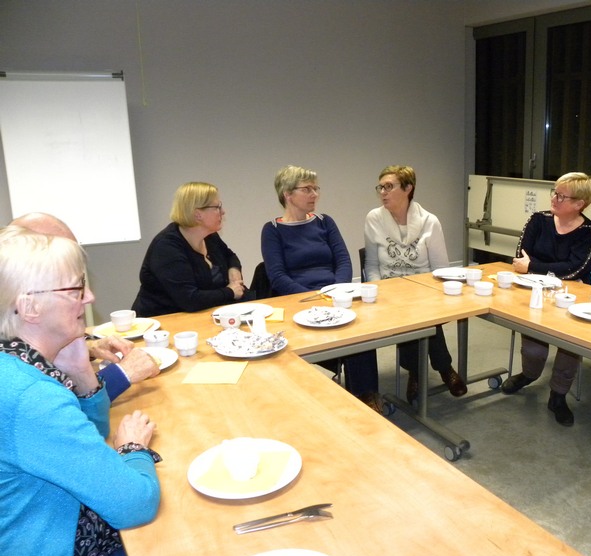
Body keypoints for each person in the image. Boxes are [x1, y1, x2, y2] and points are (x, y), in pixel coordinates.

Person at [0, 226, 161, 556]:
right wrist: (134, 449)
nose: (90, 297)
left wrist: (82, 374)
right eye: (75, 290)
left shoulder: (19, 363)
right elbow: (136, 504)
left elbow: (90, 433)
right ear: (30, 307)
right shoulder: (29, 396)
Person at [262, 165, 382, 411]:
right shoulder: (272, 230)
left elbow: (343, 260)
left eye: (316, 188)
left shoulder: (325, 222)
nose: (314, 194)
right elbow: (277, 276)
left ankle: (366, 394)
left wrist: (335, 292)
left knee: (358, 328)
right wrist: (312, 298)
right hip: (298, 300)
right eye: (307, 189)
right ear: (287, 194)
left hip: (333, 295)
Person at [10, 212, 159, 401]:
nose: (89, 296)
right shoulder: (16, 370)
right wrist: (123, 374)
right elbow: (58, 404)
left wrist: (89, 347)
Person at [500, 172, 591, 427]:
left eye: (561, 196)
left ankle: (558, 395)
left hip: (573, 296)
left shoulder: (590, 232)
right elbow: (520, 258)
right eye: (554, 192)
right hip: (533, 290)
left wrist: (534, 266)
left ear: (579, 203)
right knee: (533, 347)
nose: (554, 199)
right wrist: (537, 267)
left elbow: (575, 269)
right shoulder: (538, 220)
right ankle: (529, 374)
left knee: (568, 346)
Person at [364, 165, 467, 402]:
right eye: (380, 187)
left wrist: (433, 296)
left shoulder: (429, 221)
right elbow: (371, 264)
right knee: (405, 312)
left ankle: (419, 372)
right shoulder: (374, 218)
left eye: (389, 187)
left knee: (420, 312)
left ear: (408, 188)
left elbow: (440, 268)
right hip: (389, 289)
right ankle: (442, 368)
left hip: (423, 289)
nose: (383, 192)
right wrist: (378, 291)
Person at [132, 182, 253, 317]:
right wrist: (230, 292)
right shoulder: (166, 247)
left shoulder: (210, 236)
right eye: (217, 207)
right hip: (163, 320)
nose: (223, 212)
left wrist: (234, 269)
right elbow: (189, 299)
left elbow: (230, 256)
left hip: (204, 315)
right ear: (197, 214)